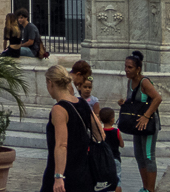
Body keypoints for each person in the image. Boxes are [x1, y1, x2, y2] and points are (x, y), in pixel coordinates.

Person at [42, 63, 95, 192]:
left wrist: (58, 177)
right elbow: (100, 134)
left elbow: (61, 144)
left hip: (65, 173)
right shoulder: (82, 102)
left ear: (50, 83)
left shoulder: (59, 109)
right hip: (83, 172)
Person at [119, 50, 162, 192]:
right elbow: (134, 102)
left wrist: (146, 116)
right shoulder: (130, 82)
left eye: (130, 67)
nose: (126, 70)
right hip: (137, 124)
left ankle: (150, 189)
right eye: (125, 66)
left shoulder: (145, 82)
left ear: (138, 69)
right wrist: (124, 103)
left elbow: (157, 98)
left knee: (149, 155)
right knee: (139, 155)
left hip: (148, 123)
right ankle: (145, 187)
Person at [100, 107, 123, 192]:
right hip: (115, 158)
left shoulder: (101, 132)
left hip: (104, 159)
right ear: (112, 119)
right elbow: (122, 144)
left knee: (105, 180)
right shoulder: (116, 131)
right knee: (118, 180)